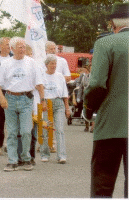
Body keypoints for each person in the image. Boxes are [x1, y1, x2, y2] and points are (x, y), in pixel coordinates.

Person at [83, 2, 128, 198]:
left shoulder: (105, 43)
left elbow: (97, 84)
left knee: (103, 185)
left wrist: (88, 107)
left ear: (113, 23)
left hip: (111, 124)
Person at [0, 37, 46, 172]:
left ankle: (25, 157)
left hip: (26, 99)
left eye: (23, 47)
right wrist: (2, 98)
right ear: (12, 49)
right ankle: (12, 160)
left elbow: (39, 83)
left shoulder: (32, 63)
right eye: (19, 47)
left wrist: (43, 100)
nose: (22, 49)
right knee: (11, 132)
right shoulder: (6, 64)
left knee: (26, 131)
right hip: (10, 99)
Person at [40, 54, 70, 164]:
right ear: (46, 65)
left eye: (55, 64)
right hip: (46, 103)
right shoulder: (42, 75)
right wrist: (42, 102)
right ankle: (44, 154)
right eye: (52, 64)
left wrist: (67, 108)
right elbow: (39, 90)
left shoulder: (60, 76)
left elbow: (64, 93)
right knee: (45, 128)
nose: (54, 66)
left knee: (60, 130)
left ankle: (61, 155)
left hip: (58, 103)